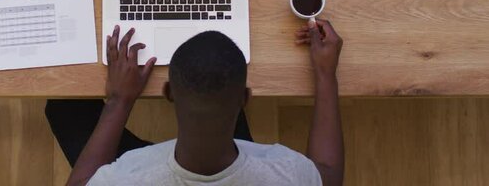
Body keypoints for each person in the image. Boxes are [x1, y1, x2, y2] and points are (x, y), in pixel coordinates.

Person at [46, 18, 344, 185]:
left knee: (62, 107)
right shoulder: (287, 176)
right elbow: (328, 174)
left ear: (168, 94)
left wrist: (120, 100)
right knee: (217, 80)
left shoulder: (127, 179)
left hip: (157, 169)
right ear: (245, 99)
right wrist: (325, 73)